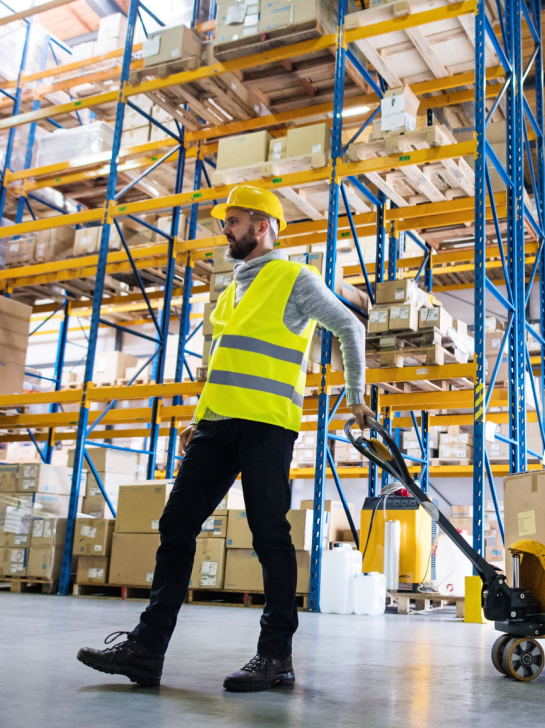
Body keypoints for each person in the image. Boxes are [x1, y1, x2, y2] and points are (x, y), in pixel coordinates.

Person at [77, 185, 374, 691]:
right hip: (216, 427)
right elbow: (221, 366)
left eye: (233, 222)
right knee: (176, 524)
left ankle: (275, 655)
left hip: (267, 426)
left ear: (262, 227)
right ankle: (147, 649)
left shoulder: (292, 277)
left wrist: (355, 395)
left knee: (268, 536)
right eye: (224, 222)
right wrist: (198, 417)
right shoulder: (233, 287)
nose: (225, 231)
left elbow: (350, 326)